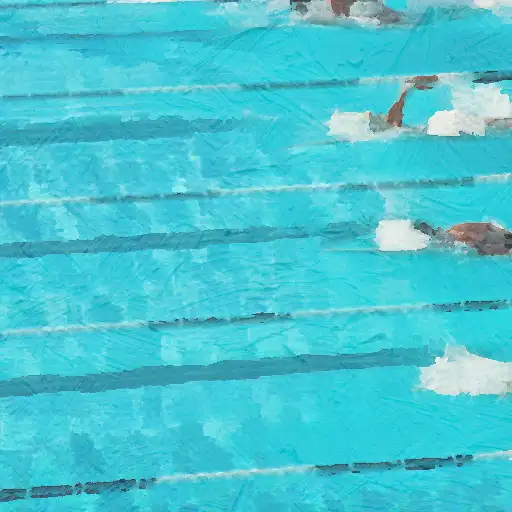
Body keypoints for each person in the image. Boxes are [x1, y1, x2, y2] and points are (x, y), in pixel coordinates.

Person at [414, 221, 512, 256]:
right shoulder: (499, 235)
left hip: (478, 240)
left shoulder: (501, 234)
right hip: (472, 238)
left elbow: (488, 226)